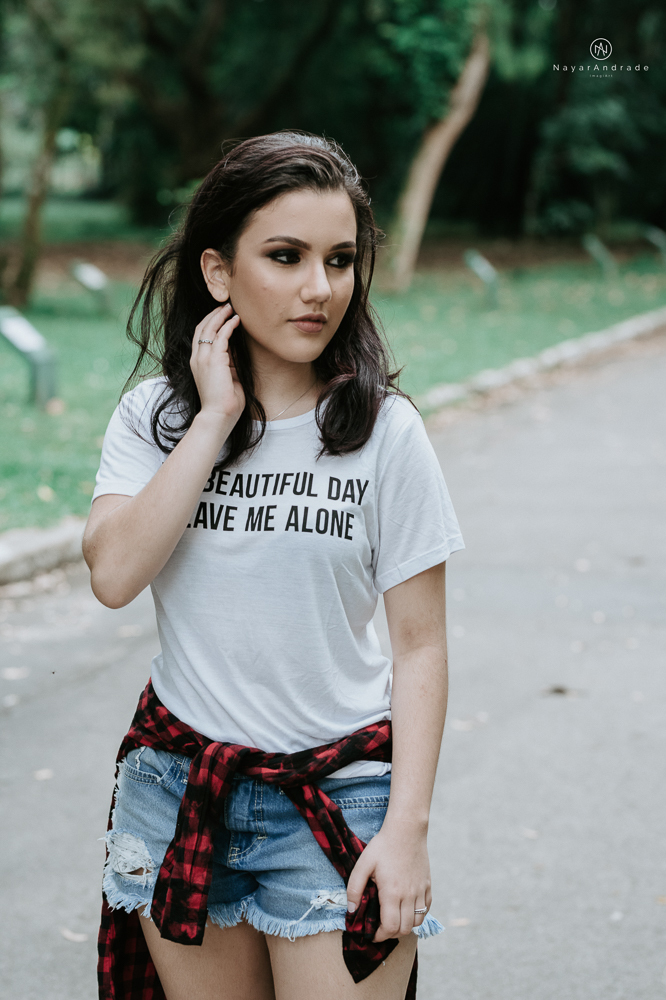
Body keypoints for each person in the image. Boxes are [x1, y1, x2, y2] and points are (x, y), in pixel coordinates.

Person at [84, 131, 464, 1000]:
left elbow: (421, 648)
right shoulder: (155, 418)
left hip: (339, 800)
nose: (318, 288)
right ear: (219, 272)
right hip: (181, 792)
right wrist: (214, 420)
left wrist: (407, 827)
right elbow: (113, 576)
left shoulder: (384, 432)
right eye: (285, 256)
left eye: (340, 260)